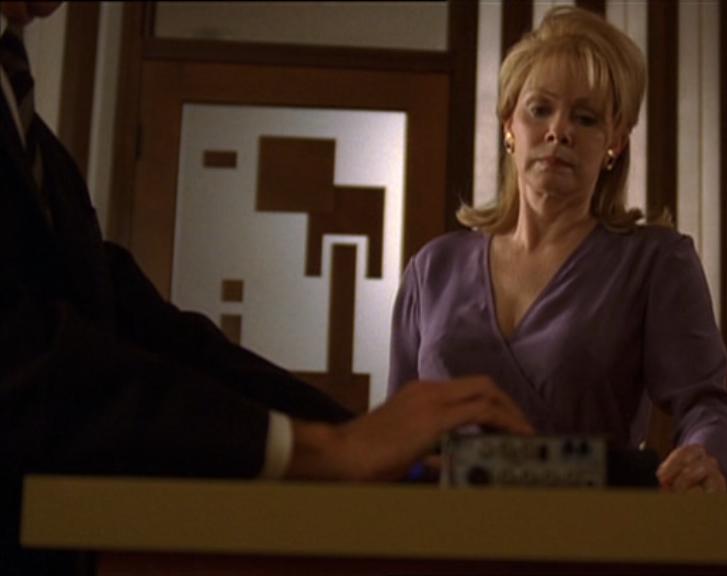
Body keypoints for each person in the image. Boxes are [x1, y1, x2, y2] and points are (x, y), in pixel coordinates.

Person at [1, 2, 532, 573]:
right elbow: (25, 355)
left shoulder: (40, 146)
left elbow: (160, 337)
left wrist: (353, 435)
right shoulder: (438, 267)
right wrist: (325, 448)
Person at [388, 7, 727, 493]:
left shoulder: (655, 262)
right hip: (439, 526)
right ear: (509, 124)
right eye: (540, 110)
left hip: (590, 524)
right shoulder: (433, 268)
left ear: (615, 141)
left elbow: (707, 405)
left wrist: (705, 456)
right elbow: (394, 431)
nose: (560, 131)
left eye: (585, 117)